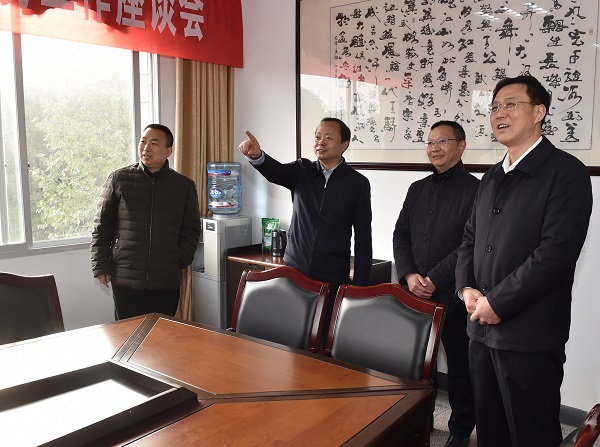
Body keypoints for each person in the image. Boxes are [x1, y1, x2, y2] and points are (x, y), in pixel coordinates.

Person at [455, 75, 593, 447]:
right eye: (494, 107)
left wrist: (498, 303)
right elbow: (469, 239)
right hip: (480, 330)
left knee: (531, 434)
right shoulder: (491, 176)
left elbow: (555, 254)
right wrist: (466, 288)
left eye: (511, 104)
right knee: (490, 430)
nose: (500, 113)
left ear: (539, 112)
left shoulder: (566, 173)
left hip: (529, 336)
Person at [238, 117, 372, 333]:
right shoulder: (302, 170)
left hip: (332, 276)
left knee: (325, 337)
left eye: (328, 138)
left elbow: (364, 238)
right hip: (295, 272)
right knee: (291, 334)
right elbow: (276, 171)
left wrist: (360, 288)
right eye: (317, 137)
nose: (321, 142)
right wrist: (257, 156)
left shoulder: (357, 184)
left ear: (344, 144)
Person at [393, 120, 478, 447]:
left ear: (461, 146)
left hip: (453, 294)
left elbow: (470, 244)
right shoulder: (417, 188)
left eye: (443, 141)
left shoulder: (476, 190)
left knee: (460, 367)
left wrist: (433, 278)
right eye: (430, 142)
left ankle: (460, 430)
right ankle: (419, 419)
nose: (434, 148)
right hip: (413, 294)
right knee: (416, 363)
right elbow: (401, 234)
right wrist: (408, 275)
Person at [91, 124, 201, 320]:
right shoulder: (119, 179)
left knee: (162, 334)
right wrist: (101, 265)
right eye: (143, 141)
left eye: (154, 143)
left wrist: (180, 259)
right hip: (126, 278)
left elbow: (191, 229)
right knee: (128, 335)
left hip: (166, 280)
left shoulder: (183, 186)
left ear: (168, 151)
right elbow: (102, 226)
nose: (146, 147)